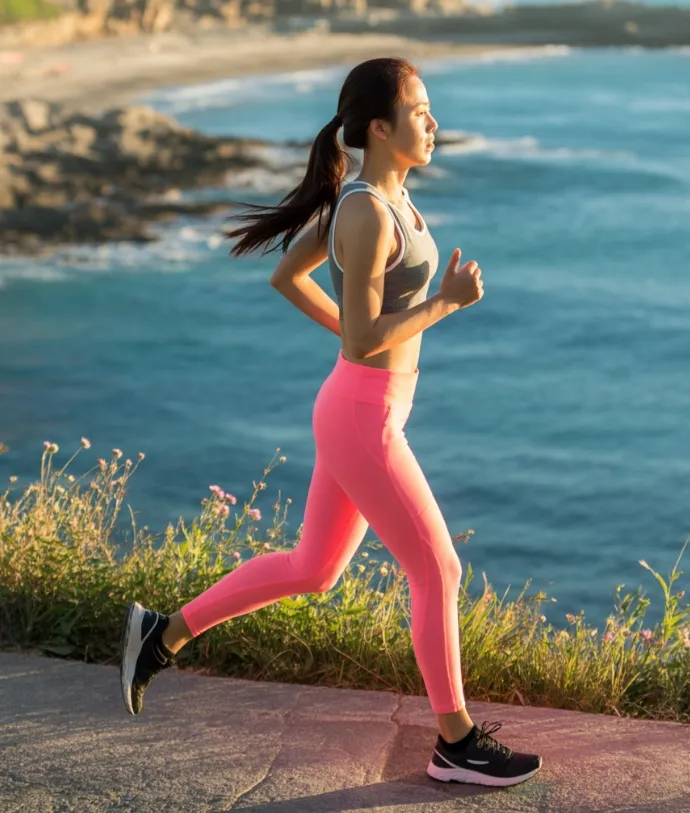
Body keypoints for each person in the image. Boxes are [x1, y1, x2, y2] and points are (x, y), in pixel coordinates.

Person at [119, 56, 542, 788]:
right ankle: (456, 742)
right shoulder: (363, 211)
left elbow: (290, 279)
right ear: (380, 127)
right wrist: (444, 302)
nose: (434, 124)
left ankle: (163, 633)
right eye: (419, 113)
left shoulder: (384, 198)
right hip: (363, 417)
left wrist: (356, 346)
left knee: (314, 568)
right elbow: (360, 336)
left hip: (359, 403)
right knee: (437, 567)